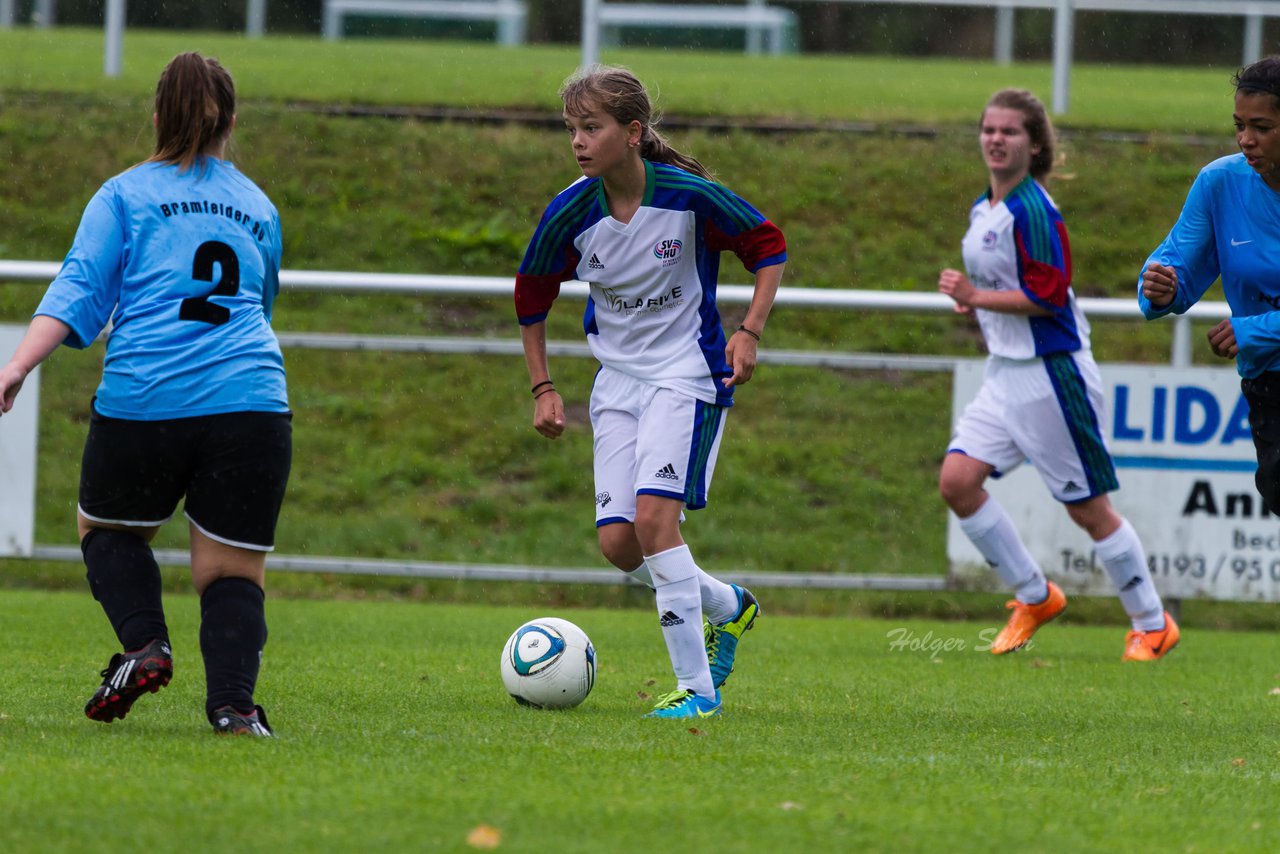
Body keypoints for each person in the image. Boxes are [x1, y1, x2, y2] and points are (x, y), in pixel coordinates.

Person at [0, 52, 289, 736]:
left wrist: (16, 366)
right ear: (231, 122)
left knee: (106, 530)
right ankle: (235, 710)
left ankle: (144, 647)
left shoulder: (125, 195)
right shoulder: (258, 206)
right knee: (231, 570)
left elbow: (76, 290)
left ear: (158, 117)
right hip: (252, 401)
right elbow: (263, 304)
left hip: (147, 397)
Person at [514, 65, 786, 718]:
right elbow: (531, 297)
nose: (578, 142)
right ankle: (728, 606)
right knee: (618, 545)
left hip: (686, 376)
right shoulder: (572, 212)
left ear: (632, 133)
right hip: (617, 387)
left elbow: (768, 246)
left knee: (656, 522)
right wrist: (543, 387)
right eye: (571, 129)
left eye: (591, 128)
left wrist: (748, 331)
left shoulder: (689, 199)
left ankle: (697, 691)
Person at [938, 88, 1178, 661]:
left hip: (1051, 376)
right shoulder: (985, 208)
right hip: (1006, 375)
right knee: (957, 482)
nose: (996, 139)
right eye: (988, 129)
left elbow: (1049, 295)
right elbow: (1010, 286)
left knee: (1087, 509)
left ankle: (1152, 623)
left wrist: (977, 295)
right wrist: (979, 302)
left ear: (1035, 144)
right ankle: (1035, 596)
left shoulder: (1034, 209)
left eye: (1010, 131)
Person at [1140, 56, 1280, 515]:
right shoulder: (1220, 182)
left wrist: (1252, 331)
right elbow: (1177, 261)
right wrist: (1160, 285)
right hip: (1269, 387)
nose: (1246, 140)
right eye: (1239, 125)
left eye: (1261, 127)